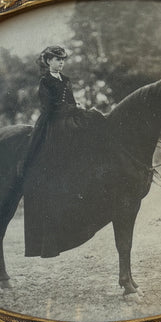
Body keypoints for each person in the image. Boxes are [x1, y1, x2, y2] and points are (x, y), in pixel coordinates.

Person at [22, 45, 106, 257]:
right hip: (53, 122)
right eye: (57, 59)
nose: (61, 63)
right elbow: (49, 108)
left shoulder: (66, 79)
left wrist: (79, 111)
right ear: (48, 61)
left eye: (63, 60)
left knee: (93, 123)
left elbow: (70, 101)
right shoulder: (45, 81)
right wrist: (74, 111)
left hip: (69, 116)